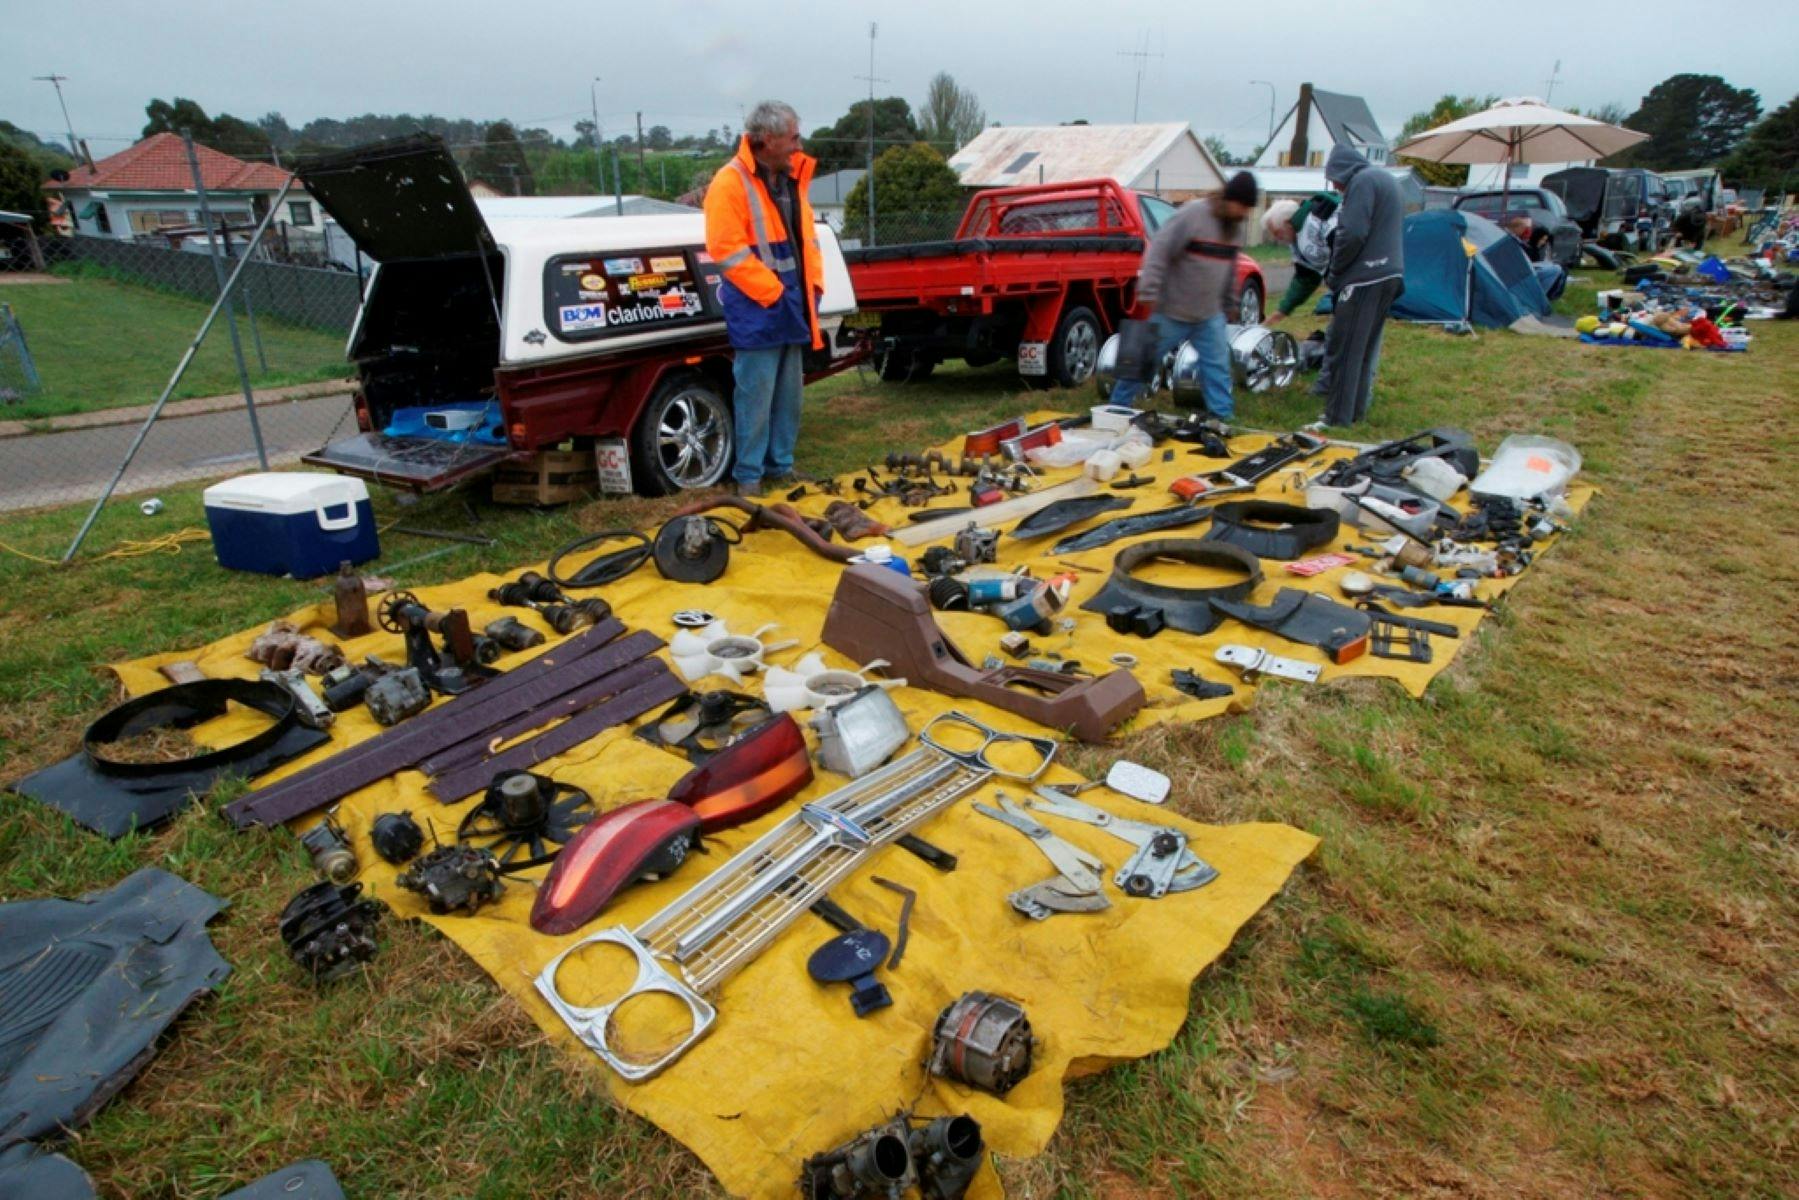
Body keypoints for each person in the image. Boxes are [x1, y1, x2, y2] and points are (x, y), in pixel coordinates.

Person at [703, 100, 825, 495]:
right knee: (755, 396)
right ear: (767, 139)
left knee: (789, 396)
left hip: (792, 303)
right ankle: (749, 477)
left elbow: (807, 241)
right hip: (758, 306)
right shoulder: (730, 182)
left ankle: (780, 466)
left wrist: (814, 288)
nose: (798, 145)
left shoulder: (790, 177)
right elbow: (726, 250)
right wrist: (772, 292)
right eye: (792, 137)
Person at [1109, 170, 1260, 419]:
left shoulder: (1234, 229)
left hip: (1209, 315)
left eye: (1248, 208)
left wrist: (1230, 302)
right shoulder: (1193, 215)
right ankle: (1115, 409)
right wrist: (1148, 288)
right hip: (1171, 310)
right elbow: (1159, 250)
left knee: (1217, 367)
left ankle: (1222, 418)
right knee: (1140, 361)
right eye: (1242, 206)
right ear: (1229, 199)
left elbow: (1230, 269)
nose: (1245, 213)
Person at [1318, 144, 1404, 428]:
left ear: (1342, 170)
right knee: (1364, 350)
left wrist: (1335, 272)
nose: (1334, 185)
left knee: (1346, 350)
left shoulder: (1362, 182)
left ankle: (1336, 419)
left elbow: (1352, 232)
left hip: (1365, 276)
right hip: (1390, 274)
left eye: (1334, 178)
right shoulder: (1385, 179)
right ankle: (1355, 412)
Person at [1261, 192, 1341, 325]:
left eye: (1276, 232)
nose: (1277, 238)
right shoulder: (1296, 240)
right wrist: (1280, 312)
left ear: (1287, 223)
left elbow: (1346, 247)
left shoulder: (1318, 219)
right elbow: (1306, 278)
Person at [1502, 214, 1568, 302]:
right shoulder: (1510, 240)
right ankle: (1540, 298)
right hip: (1517, 273)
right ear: (1516, 228)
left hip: (1521, 270)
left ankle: (1545, 297)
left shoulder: (1514, 240)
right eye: (1523, 229)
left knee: (1557, 268)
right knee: (1555, 269)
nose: (1525, 232)